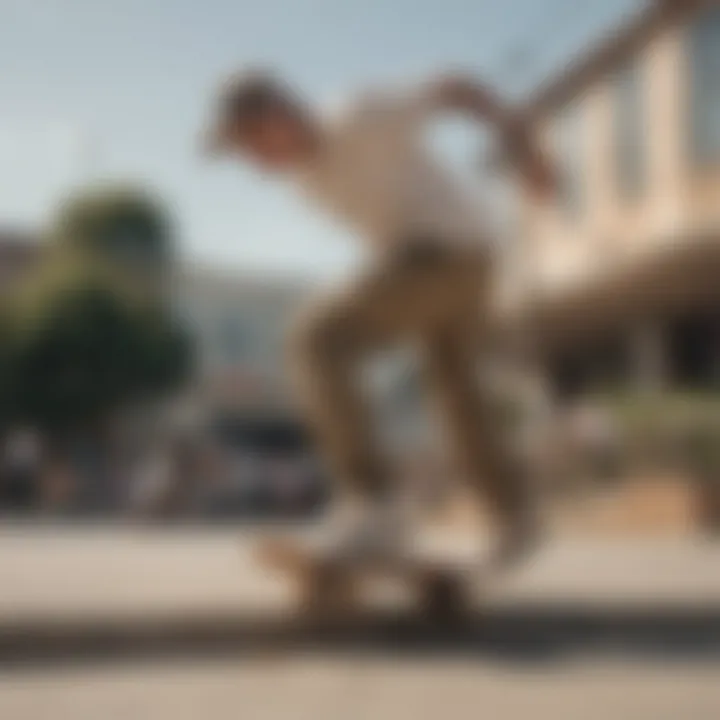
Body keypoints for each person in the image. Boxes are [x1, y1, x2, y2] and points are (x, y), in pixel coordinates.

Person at [202, 68, 556, 568]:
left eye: (255, 145)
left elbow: (457, 88)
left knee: (317, 340)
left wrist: (529, 155)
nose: (259, 165)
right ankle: (514, 517)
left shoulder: (359, 115)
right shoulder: (307, 182)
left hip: (451, 256)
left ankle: (375, 504)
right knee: (456, 392)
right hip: (447, 261)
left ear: (280, 116)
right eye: (246, 156)